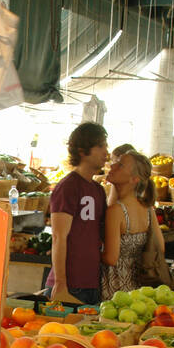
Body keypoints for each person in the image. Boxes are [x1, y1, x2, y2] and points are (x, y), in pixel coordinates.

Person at [46, 122, 109, 304]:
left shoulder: (98, 189)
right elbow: (58, 237)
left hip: (92, 283)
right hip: (69, 285)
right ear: (82, 151)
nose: (106, 152)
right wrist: (60, 283)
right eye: (100, 145)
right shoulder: (68, 186)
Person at [102, 147, 173, 299]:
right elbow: (160, 246)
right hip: (139, 289)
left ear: (134, 179)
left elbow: (111, 258)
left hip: (116, 290)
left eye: (120, 165)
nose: (113, 166)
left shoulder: (116, 211)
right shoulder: (147, 208)